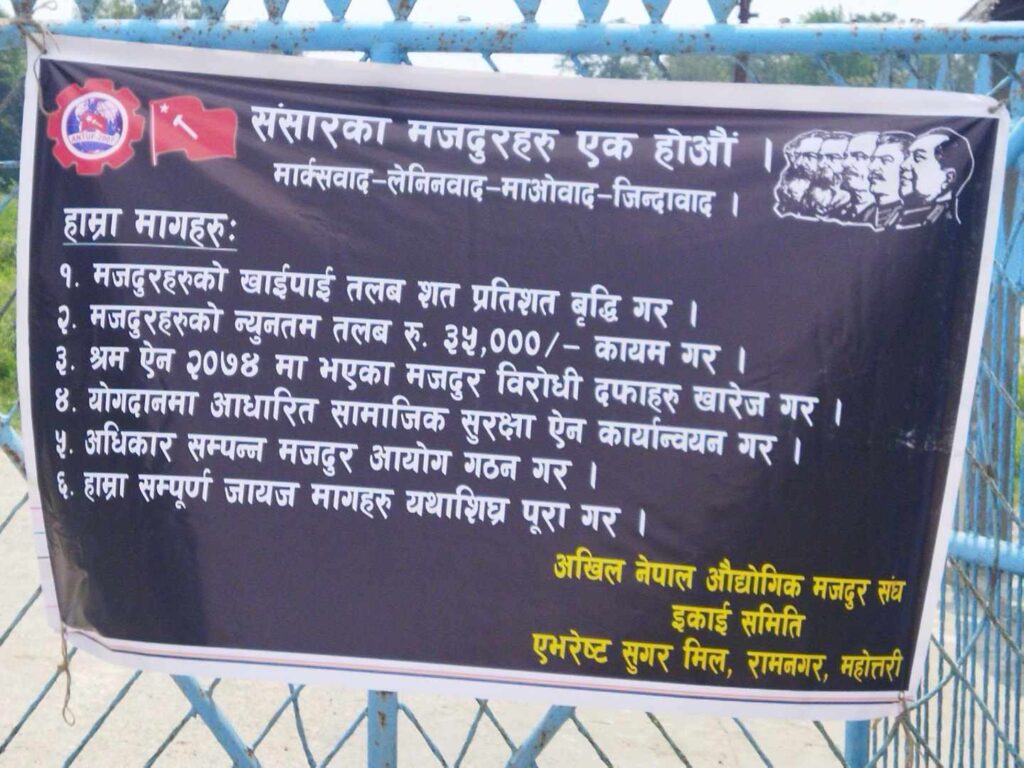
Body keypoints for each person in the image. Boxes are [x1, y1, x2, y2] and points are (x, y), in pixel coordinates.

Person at [896, 128, 975, 228]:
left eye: (918, 157)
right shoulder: (898, 218)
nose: (903, 165)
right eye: (907, 157)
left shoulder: (949, 227)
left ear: (948, 178)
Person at [867, 131, 913, 231]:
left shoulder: (911, 216)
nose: (872, 167)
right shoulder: (866, 214)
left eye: (885, 160)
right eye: (872, 160)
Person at [833, 131, 879, 224]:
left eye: (859, 156)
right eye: (845, 156)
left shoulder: (884, 216)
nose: (845, 163)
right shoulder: (838, 211)